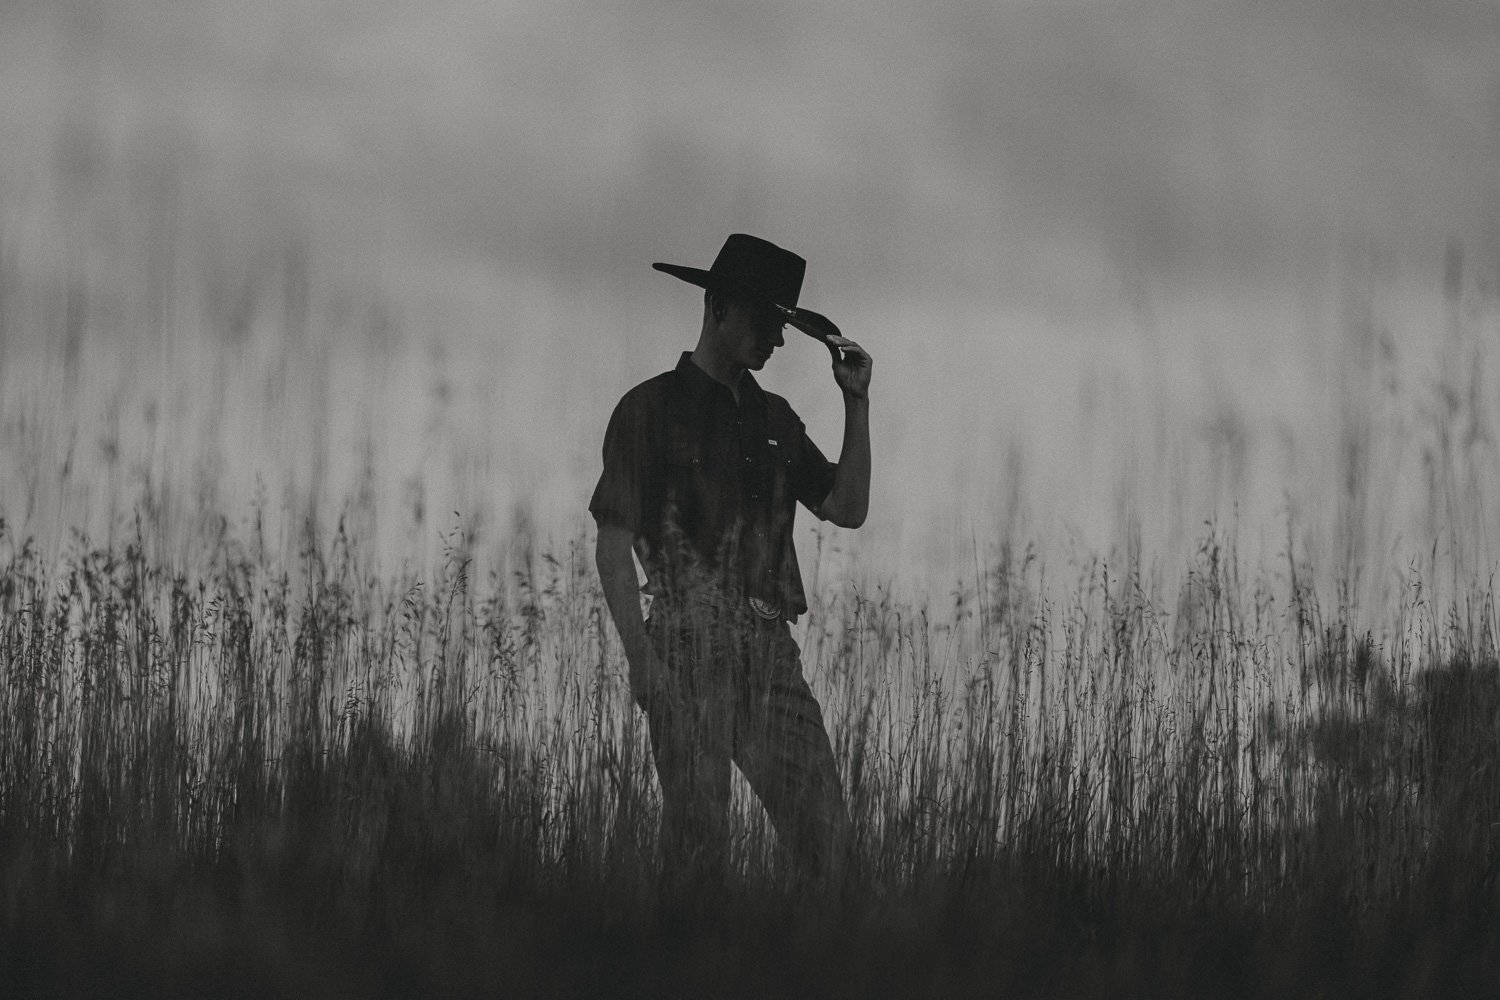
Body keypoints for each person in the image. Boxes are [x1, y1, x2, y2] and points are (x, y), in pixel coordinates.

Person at [589, 233, 872, 887]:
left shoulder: (775, 418)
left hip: (771, 654)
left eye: (782, 327)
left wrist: (856, 402)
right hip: (685, 647)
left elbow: (847, 507)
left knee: (827, 842)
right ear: (717, 307)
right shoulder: (649, 408)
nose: (775, 340)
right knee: (697, 846)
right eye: (763, 321)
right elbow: (612, 544)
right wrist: (641, 660)